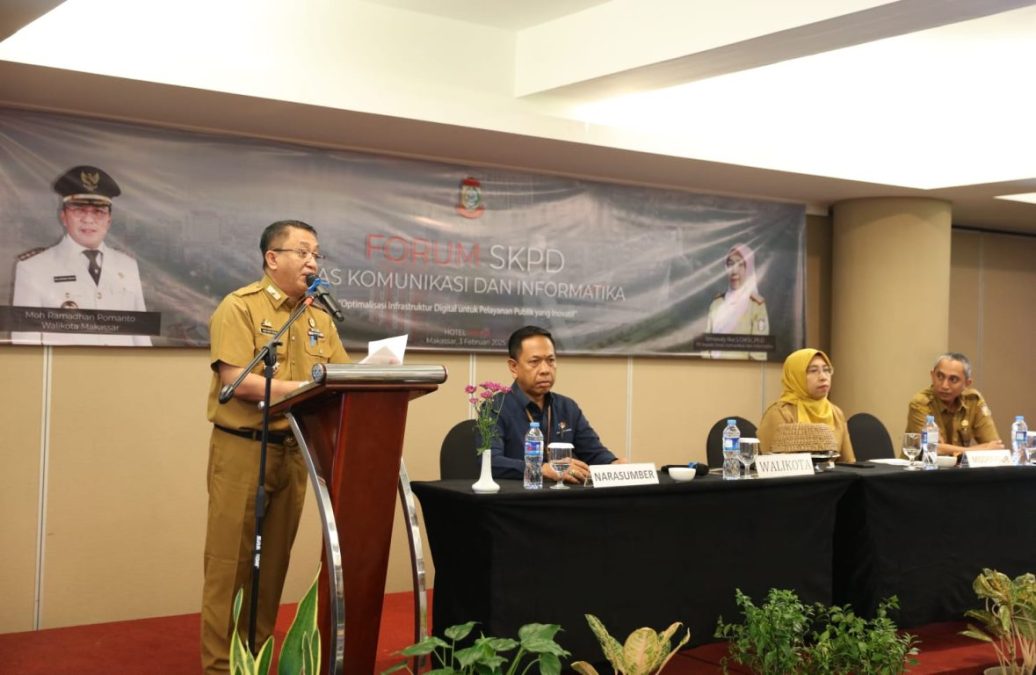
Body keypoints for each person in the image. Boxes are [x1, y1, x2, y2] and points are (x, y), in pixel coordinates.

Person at [201, 220, 349, 674]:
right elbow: (237, 381)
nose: (312, 262)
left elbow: (343, 381)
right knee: (231, 564)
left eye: (316, 254)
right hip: (244, 448)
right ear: (272, 258)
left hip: (295, 451)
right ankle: (221, 667)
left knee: (272, 564)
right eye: (302, 252)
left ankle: (257, 658)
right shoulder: (240, 307)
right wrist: (305, 388)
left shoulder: (319, 318)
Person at [11, 165, 151, 346]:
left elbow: (141, 337)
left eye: (98, 212)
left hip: (122, 365)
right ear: (63, 216)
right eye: (79, 210)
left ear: (109, 220)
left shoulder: (127, 265)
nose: (88, 220)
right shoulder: (33, 268)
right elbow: (24, 344)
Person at [489, 325, 625, 483]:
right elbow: (491, 462)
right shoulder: (495, 407)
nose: (545, 370)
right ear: (514, 367)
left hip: (564, 494)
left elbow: (593, 452)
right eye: (535, 362)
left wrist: (614, 464)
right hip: (519, 494)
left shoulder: (567, 407)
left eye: (551, 360)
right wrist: (541, 469)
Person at [757, 347, 856, 462]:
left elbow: (848, 463)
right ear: (795, 376)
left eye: (826, 370)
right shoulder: (779, 413)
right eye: (813, 371)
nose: (823, 377)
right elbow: (773, 465)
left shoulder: (836, 412)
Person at [905, 352, 1002, 456]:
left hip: (959, 465)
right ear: (932, 376)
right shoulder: (920, 403)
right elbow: (932, 448)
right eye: (940, 376)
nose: (944, 385)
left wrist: (956, 451)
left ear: (967, 383)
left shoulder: (973, 400)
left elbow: (996, 447)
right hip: (920, 465)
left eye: (953, 379)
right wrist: (977, 450)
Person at [704, 243, 769, 360]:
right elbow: (705, 347)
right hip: (713, 369)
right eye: (730, 264)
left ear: (748, 269)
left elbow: (758, 354)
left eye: (740, 264)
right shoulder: (717, 303)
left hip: (742, 370)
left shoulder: (756, 305)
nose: (734, 271)